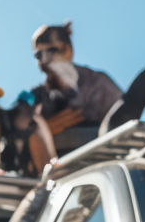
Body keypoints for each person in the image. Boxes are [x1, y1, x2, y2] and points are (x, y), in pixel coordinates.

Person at [30, 21, 123, 154]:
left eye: (51, 51)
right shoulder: (36, 97)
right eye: (38, 55)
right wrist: (41, 132)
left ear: (68, 50)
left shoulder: (97, 83)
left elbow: (125, 125)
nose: (44, 61)